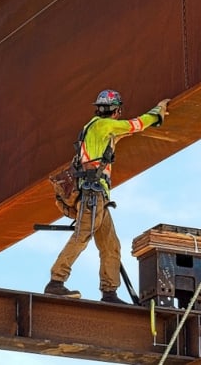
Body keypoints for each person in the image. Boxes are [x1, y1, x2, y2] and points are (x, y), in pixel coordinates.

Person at [44, 89, 170, 304]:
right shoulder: (104, 126)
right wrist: (158, 111)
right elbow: (135, 125)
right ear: (116, 110)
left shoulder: (94, 128)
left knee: (110, 245)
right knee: (82, 235)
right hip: (93, 195)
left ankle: (110, 293)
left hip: (98, 197)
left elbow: (122, 133)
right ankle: (56, 281)